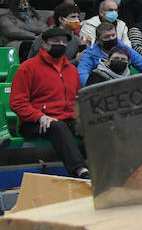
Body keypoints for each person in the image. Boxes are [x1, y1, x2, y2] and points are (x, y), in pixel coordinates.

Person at [9, 26, 88, 178]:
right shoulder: (28, 68)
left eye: (64, 41)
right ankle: (81, 171)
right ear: (44, 44)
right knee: (58, 127)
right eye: (56, 41)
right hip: (34, 122)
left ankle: (110, 169)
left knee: (96, 127)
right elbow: (17, 103)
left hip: (67, 118)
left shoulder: (71, 70)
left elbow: (77, 99)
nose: (61, 44)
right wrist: (39, 116)